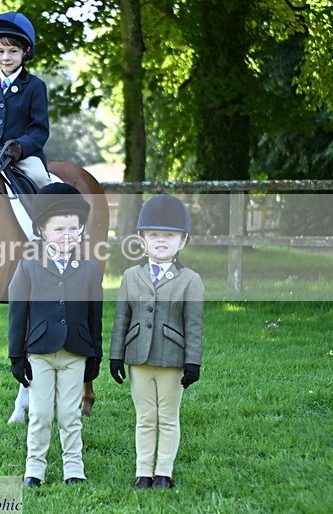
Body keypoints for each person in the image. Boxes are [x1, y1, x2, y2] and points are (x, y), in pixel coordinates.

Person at [8, 182, 103, 487]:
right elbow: (17, 314)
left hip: (75, 352)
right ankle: (34, 469)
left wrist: (95, 354)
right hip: (40, 352)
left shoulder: (89, 270)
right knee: (39, 414)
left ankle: (73, 468)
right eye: (59, 229)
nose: (67, 235)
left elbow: (94, 316)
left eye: (73, 229)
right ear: (42, 231)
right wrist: (16, 355)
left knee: (69, 414)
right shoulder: (27, 267)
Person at [109, 194, 204, 489]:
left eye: (169, 236)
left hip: (172, 359)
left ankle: (164, 472)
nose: (161, 241)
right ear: (142, 239)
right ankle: (143, 472)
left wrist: (193, 361)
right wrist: (116, 356)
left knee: (168, 417)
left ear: (182, 241)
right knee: (145, 417)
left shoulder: (190, 280)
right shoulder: (129, 276)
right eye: (154, 235)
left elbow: (194, 324)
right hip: (138, 357)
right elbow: (121, 319)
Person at [0, 11, 52, 190]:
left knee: (40, 179)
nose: (6, 57)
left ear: (25, 52)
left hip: (23, 156)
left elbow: (39, 129)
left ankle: (48, 217)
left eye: (13, 51)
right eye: (1, 51)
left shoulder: (35, 86)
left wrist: (21, 147)